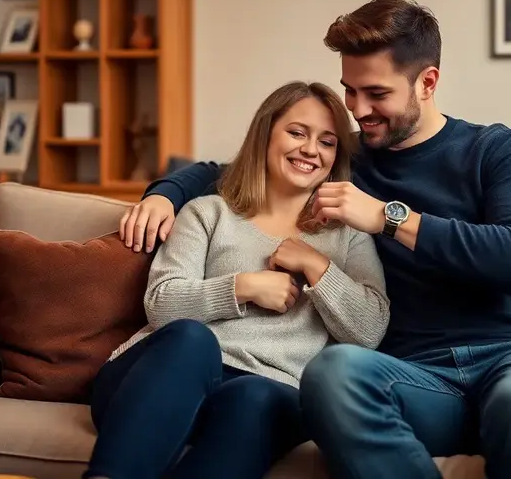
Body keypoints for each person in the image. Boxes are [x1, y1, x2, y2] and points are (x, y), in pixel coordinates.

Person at [120, 0, 511, 479]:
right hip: (416, 376)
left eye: (376, 93)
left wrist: (388, 218)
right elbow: (233, 170)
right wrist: (164, 194)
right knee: (333, 373)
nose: (359, 111)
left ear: (427, 82)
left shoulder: (496, 149)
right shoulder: (345, 158)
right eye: (350, 91)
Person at [88, 81, 390, 479]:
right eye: (297, 133)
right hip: (160, 378)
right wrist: (243, 287)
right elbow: (161, 304)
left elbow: (369, 330)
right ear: (266, 134)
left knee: (256, 397)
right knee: (192, 340)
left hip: (267, 390)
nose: (311, 150)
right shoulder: (207, 213)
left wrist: (318, 267)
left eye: (328, 142)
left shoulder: (349, 234)